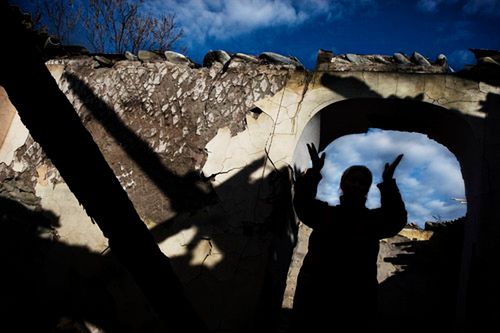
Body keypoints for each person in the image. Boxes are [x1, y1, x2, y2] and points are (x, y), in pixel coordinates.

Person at [290, 143, 407, 332]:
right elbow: (302, 203)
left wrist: (388, 183)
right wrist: (314, 172)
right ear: (342, 184)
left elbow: (396, 220)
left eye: (362, 182)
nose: (357, 184)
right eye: (352, 180)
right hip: (315, 298)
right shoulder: (325, 214)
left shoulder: (372, 221)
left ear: (367, 189)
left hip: (356, 302)